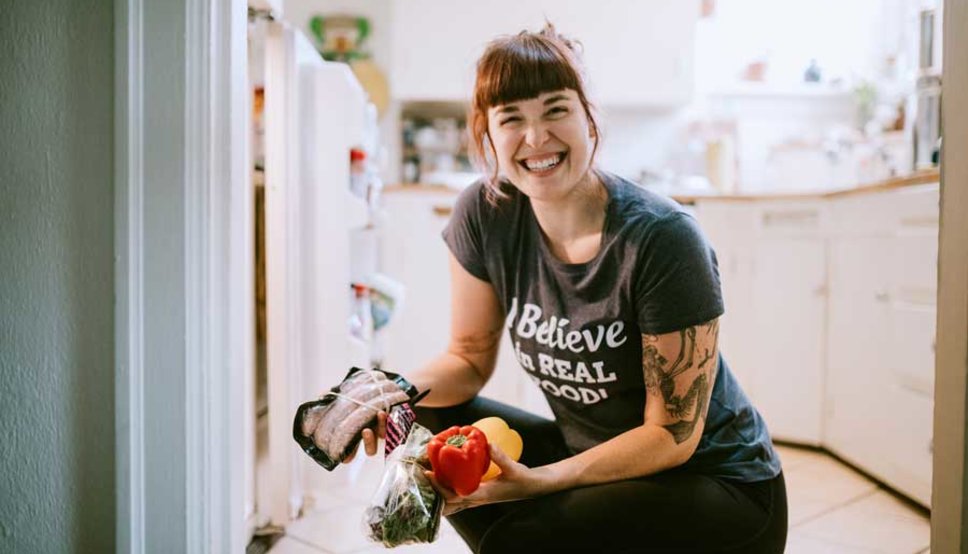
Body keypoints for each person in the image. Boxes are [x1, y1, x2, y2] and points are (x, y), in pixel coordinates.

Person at [349, 23, 787, 553]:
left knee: (522, 541)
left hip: (716, 484)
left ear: (588, 117)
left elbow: (671, 435)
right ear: (488, 134)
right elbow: (466, 359)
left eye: (555, 110)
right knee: (426, 409)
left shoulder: (662, 238)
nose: (536, 139)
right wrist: (388, 391)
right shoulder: (486, 215)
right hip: (595, 453)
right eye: (512, 119)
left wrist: (540, 482)